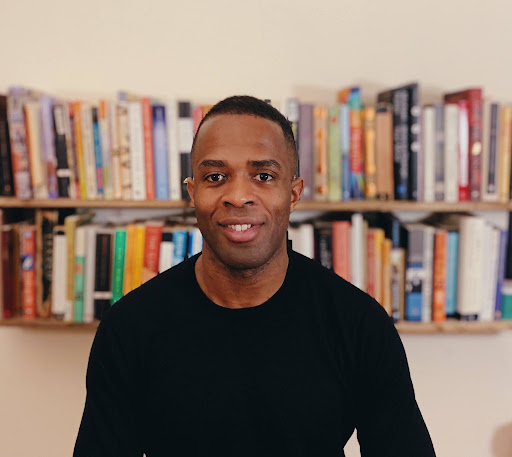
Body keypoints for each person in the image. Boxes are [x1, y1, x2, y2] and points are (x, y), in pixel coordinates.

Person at [74, 95, 436, 457]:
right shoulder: (129, 328)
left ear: (293, 194)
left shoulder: (358, 324)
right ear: (193, 192)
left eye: (263, 176)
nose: (238, 196)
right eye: (215, 177)